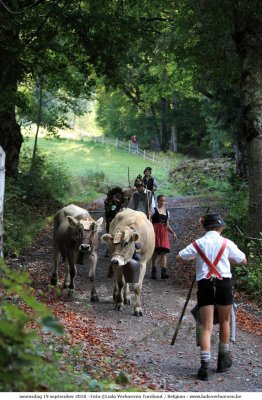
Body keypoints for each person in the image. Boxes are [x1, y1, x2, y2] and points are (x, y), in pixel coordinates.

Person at [176, 212, 247, 381]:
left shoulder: (198, 243)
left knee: (206, 326)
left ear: (205, 227)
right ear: (220, 227)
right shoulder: (227, 243)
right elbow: (243, 260)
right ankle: (223, 360)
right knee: (225, 321)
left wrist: (196, 256)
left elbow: (179, 257)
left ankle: (205, 365)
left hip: (205, 285)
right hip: (224, 284)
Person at [151, 195, 177, 279]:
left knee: (164, 252)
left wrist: (173, 232)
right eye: (161, 200)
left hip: (163, 233)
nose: (162, 202)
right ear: (157, 201)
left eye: (164, 201)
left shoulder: (167, 212)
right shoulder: (153, 210)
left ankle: (163, 272)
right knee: (155, 252)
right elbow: (148, 221)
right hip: (155, 232)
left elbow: (167, 225)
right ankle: (153, 272)